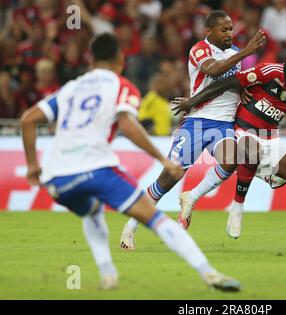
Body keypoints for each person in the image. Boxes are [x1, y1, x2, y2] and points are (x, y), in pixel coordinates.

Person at [20, 33, 240, 292]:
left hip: (56, 178)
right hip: (97, 169)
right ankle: (210, 274)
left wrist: (33, 165)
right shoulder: (122, 87)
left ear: (92, 60)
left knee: (91, 212)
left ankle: (108, 274)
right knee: (157, 220)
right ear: (120, 59)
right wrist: (161, 159)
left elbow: (28, 119)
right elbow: (127, 124)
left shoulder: (71, 88)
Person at [173, 42, 286, 250]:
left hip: (272, 140)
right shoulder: (269, 71)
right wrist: (193, 101)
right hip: (242, 132)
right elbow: (229, 82)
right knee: (252, 149)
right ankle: (237, 208)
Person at [120, 10, 266, 249]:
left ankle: (191, 197)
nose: (230, 33)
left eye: (231, 29)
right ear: (208, 31)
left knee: (231, 160)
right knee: (168, 179)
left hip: (224, 124)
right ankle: (130, 228)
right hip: (197, 122)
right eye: (224, 29)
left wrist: (242, 89)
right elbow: (213, 71)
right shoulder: (200, 50)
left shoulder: (235, 54)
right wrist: (249, 51)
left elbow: (234, 81)